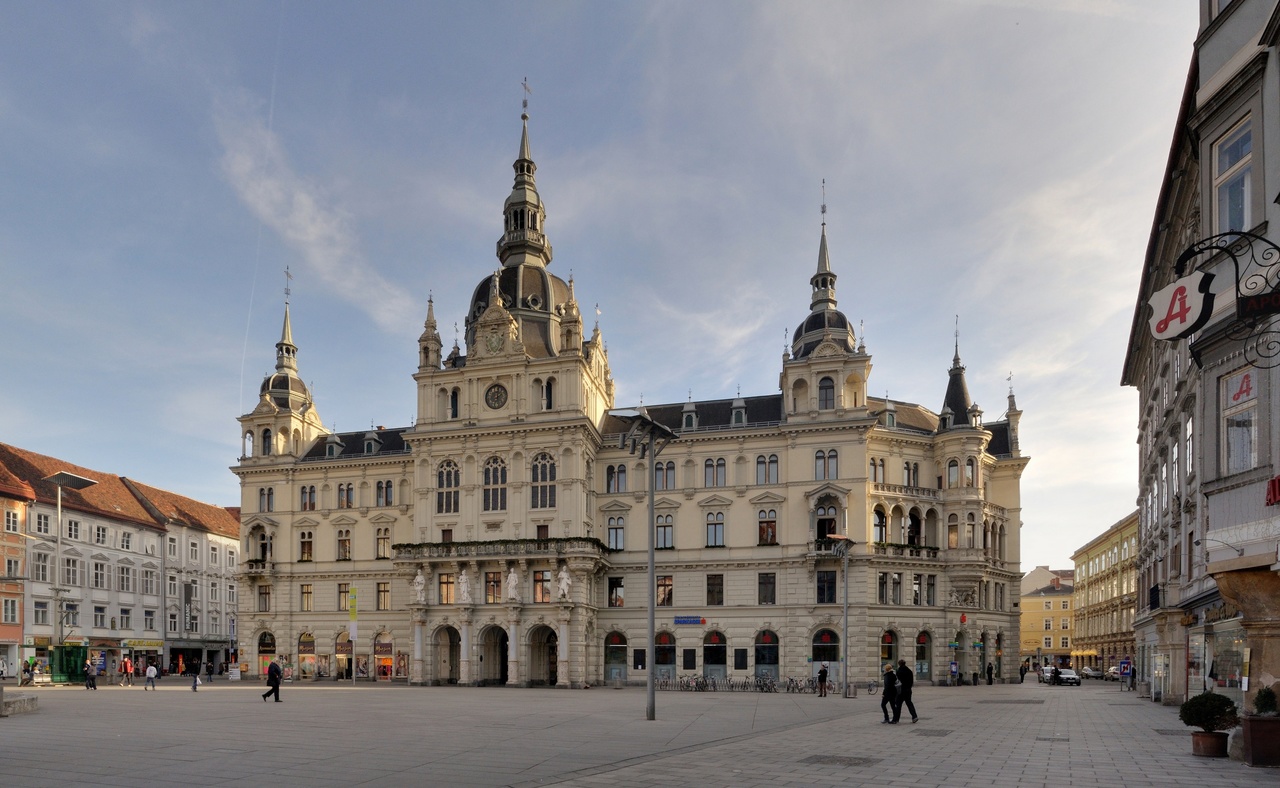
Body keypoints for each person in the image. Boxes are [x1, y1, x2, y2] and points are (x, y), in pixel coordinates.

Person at [895, 659, 918, 723]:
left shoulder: (899, 671)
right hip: (908, 690)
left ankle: (896, 718)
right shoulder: (909, 671)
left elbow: (897, 681)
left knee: (898, 704)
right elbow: (911, 682)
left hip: (900, 691)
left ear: (899, 664)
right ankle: (914, 716)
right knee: (909, 703)